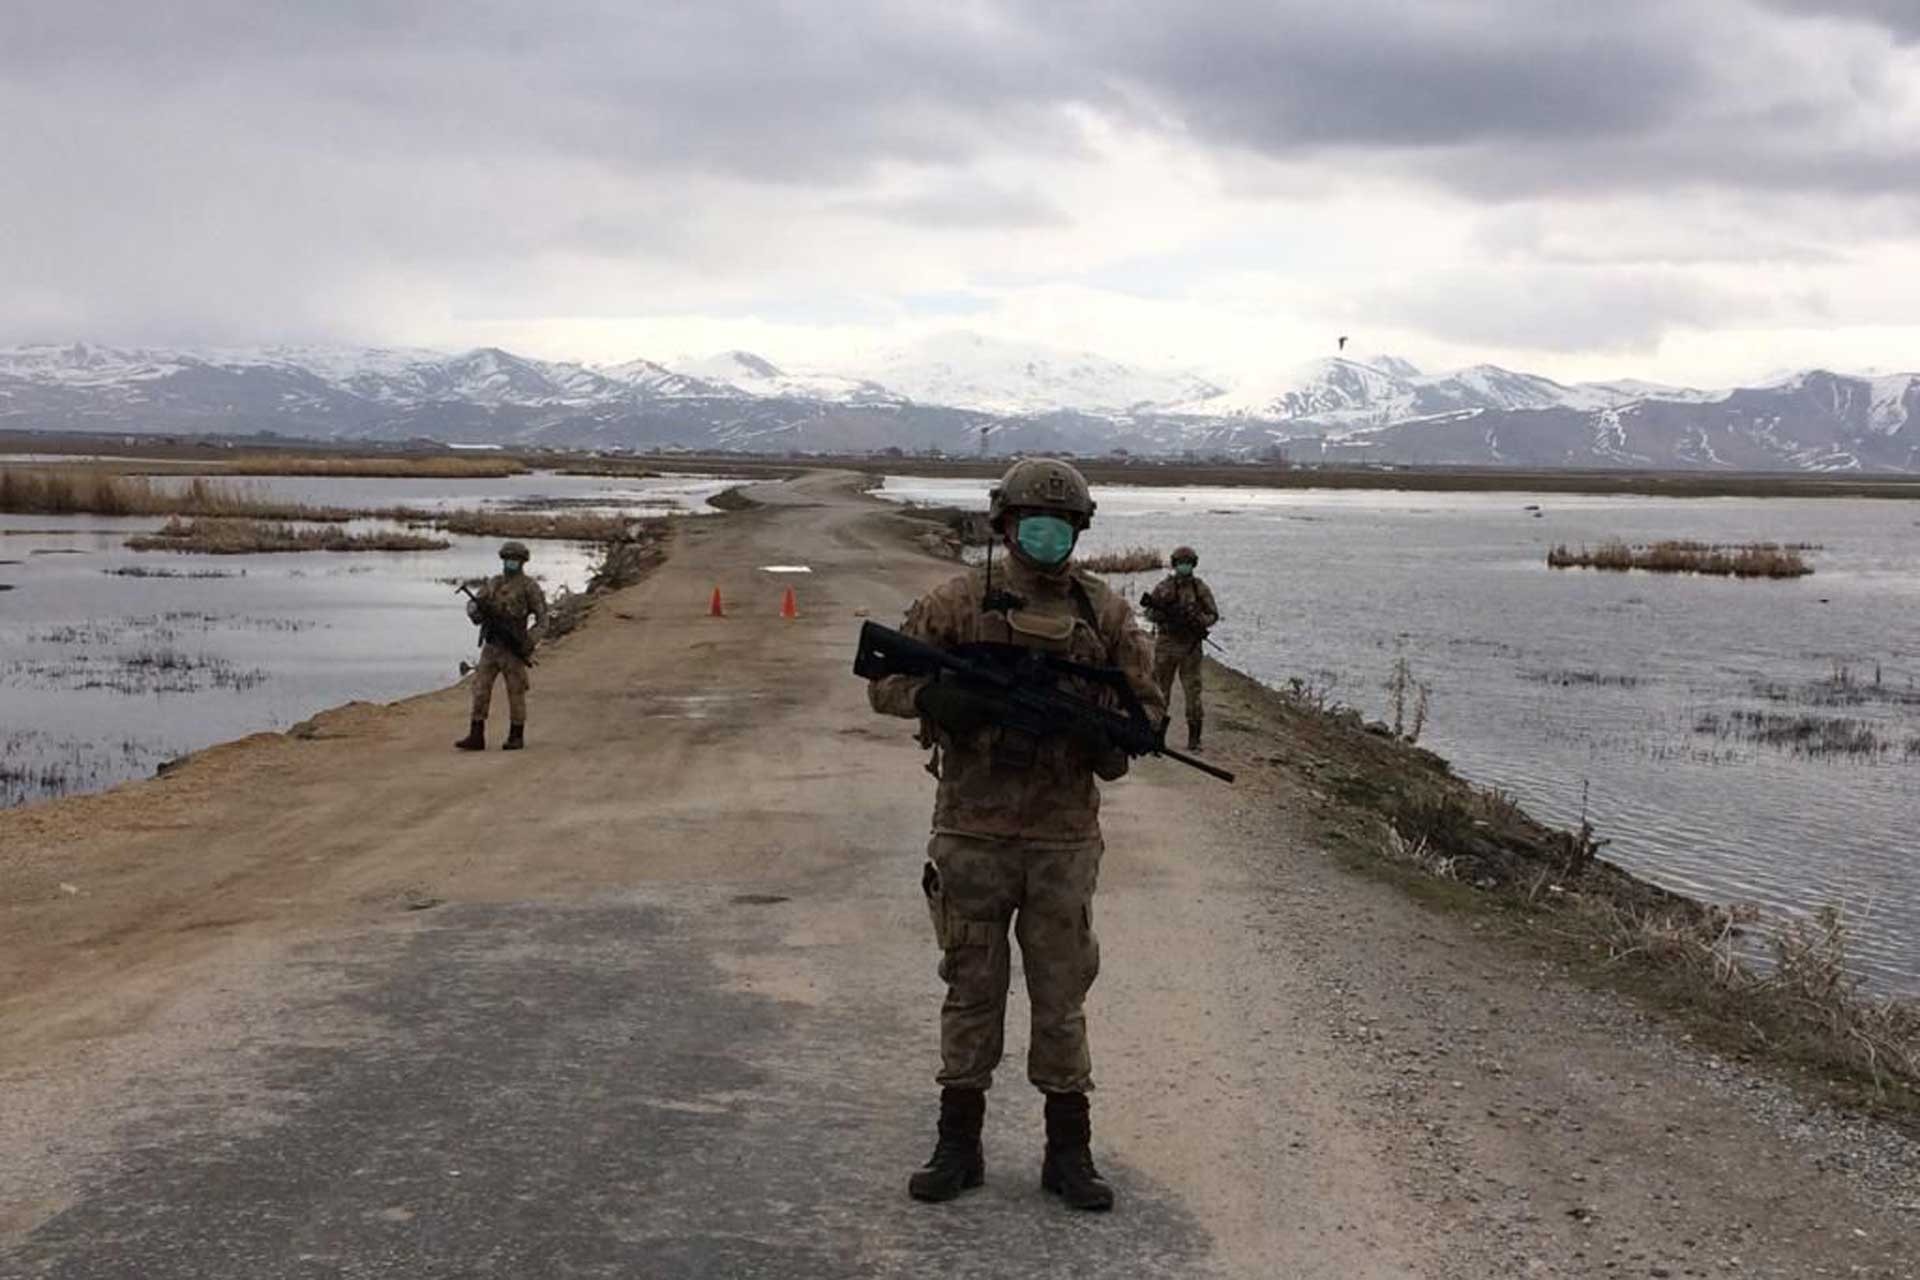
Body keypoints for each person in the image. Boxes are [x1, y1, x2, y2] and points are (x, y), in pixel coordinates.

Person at [866, 457, 1164, 1213]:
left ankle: (1069, 1152)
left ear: (1079, 530)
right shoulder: (957, 604)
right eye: (1034, 521)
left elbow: (1146, 717)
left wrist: (1113, 739)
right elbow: (884, 683)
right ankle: (957, 1144)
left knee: (1061, 999)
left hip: (1062, 841)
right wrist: (939, 696)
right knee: (971, 989)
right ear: (1004, 526)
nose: (1047, 534)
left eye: (1061, 524)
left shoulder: (1107, 617)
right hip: (971, 831)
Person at [455, 540, 548, 752]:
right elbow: (476, 608)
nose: (510, 563)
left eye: (515, 559)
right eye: (508, 559)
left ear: (523, 562)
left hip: (513, 648)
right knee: (480, 689)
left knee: (516, 692)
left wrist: (529, 641)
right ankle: (476, 735)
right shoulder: (493, 584)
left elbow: (543, 620)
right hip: (491, 645)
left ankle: (516, 735)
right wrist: (474, 611)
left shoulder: (529, 587)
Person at [1141, 546, 1219, 752]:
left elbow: (1213, 614)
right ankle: (1156, 737)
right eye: (1181, 562)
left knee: (1192, 693)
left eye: (1188, 562)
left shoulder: (1199, 588)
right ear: (1175, 564)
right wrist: (1164, 615)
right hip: (1166, 645)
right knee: (1159, 693)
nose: (1184, 565)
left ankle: (1194, 739)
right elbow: (1149, 612)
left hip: (1190, 647)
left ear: (1193, 564)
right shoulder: (1164, 587)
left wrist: (1197, 620)